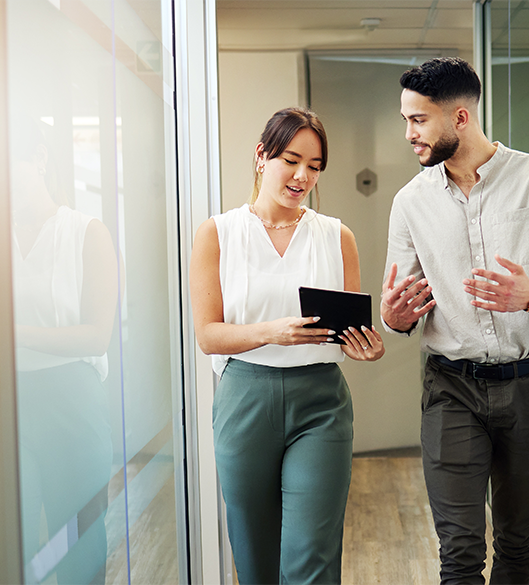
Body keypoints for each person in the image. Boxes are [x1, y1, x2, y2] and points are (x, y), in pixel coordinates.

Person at [380, 57, 529, 585]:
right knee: (460, 552)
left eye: (418, 120)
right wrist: (393, 316)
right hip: (451, 387)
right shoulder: (410, 203)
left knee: (518, 543)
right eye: (406, 119)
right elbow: (401, 302)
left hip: (528, 385)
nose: (409, 134)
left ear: (460, 118)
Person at [190, 107, 385, 585]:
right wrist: (271, 333)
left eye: (314, 167)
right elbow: (208, 335)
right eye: (291, 160)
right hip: (244, 399)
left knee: (312, 556)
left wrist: (367, 347)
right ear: (262, 155)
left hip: (320, 403)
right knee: (255, 556)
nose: (302, 176)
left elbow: (351, 330)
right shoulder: (217, 234)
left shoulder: (337, 236)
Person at [11, 115, 117, 585]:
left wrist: (9, 333)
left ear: (38, 158)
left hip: (72, 405)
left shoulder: (86, 232)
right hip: (3, 400)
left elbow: (95, 335)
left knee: (80, 544)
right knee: (3, 543)